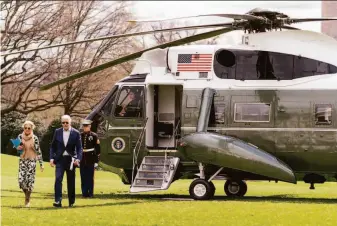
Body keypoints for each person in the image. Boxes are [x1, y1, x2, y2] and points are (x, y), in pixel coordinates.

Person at [49, 115, 82, 207]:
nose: (65, 124)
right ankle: (58, 201)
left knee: (71, 181)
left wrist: (78, 159)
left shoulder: (76, 133)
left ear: (70, 122)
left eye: (67, 122)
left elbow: (79, 148)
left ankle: (71, 202)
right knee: (58, 179)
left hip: (71, 160)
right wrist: (51, 158)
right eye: (63, 122)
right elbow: (52, 146)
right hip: (60, 160)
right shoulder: (57, 132)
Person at [16, 121, 44, 207]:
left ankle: (27, 200)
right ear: (23, 128)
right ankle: (26, 195)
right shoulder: (20, 137)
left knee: (29, 181)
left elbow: (38, 151)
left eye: (29, 128)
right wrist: (19, 148)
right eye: (25, 128)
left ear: (32, 129)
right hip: (23, 160)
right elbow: (17, 150)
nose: (27, 130)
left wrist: (41, 163)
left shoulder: (35, 138)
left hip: (32, 161)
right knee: (21, 181)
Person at [80, 119, 101, 198]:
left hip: (91, 158)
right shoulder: (80, 135)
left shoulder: (94, 136)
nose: (85, 128)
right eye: (84, 126)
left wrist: (96, 161)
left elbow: (97, 149)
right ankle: (84, 193)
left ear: (90, 126)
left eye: (86, 126)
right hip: (82, 158)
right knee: (83, 176)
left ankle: (90, 193)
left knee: (90, 177)